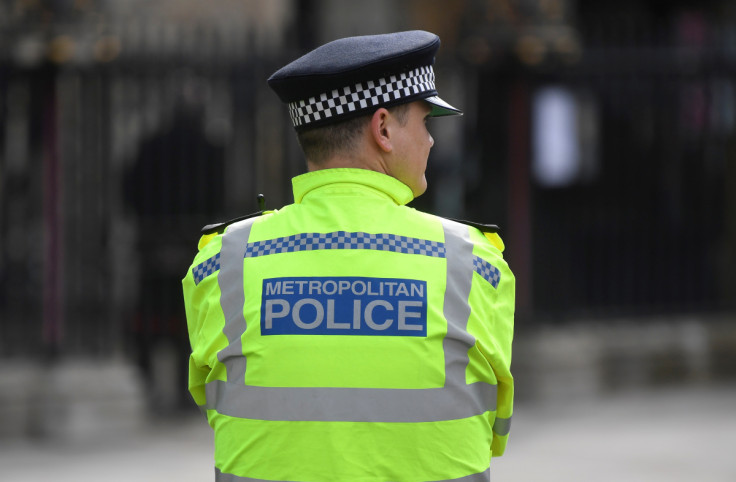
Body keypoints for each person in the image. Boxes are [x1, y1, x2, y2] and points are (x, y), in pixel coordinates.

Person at [182, 30, 515, 481]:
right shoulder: (475, 263)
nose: (432, 142)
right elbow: (494, 427)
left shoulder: (222, 262)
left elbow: (218, 406)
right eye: (424, 122)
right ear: (382, 129)